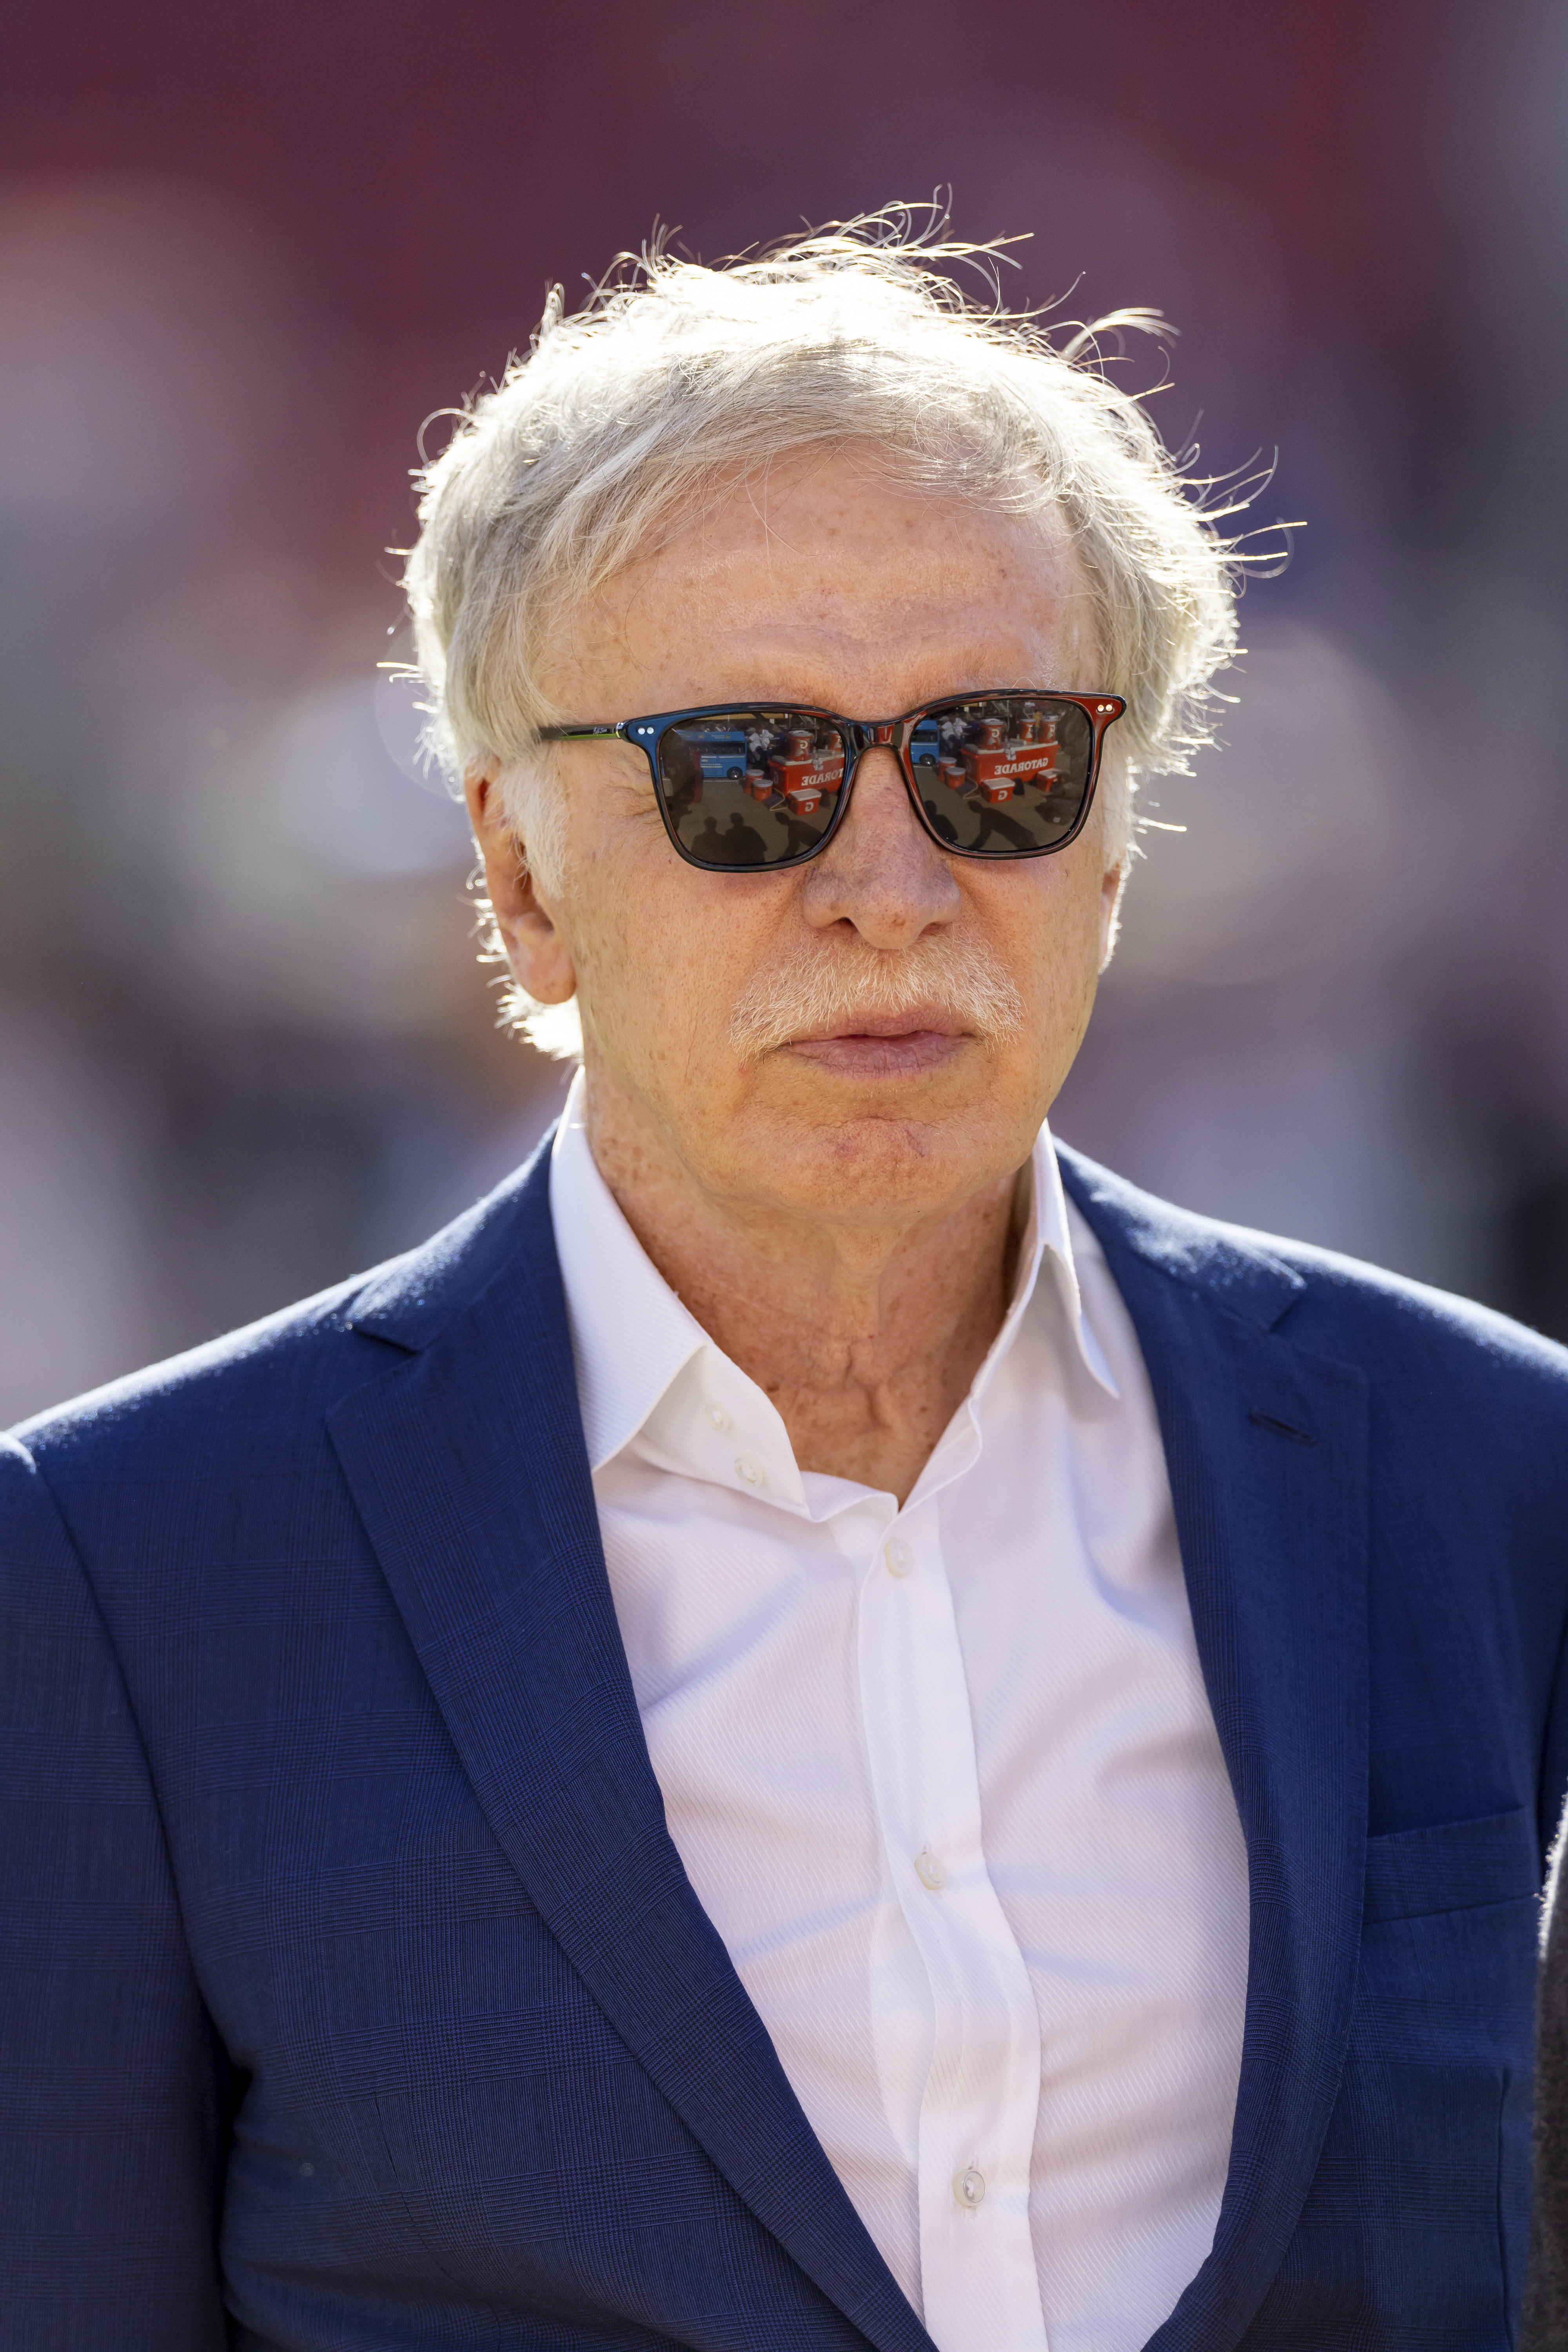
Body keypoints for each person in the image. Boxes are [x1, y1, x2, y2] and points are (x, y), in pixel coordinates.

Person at [3, 218, 1565, 2352]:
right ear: (520, 877)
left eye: (1001, 761)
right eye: (750, 775)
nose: (891, 890)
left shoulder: (1493, 1474)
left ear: (1116, 839)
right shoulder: (123, 1577)